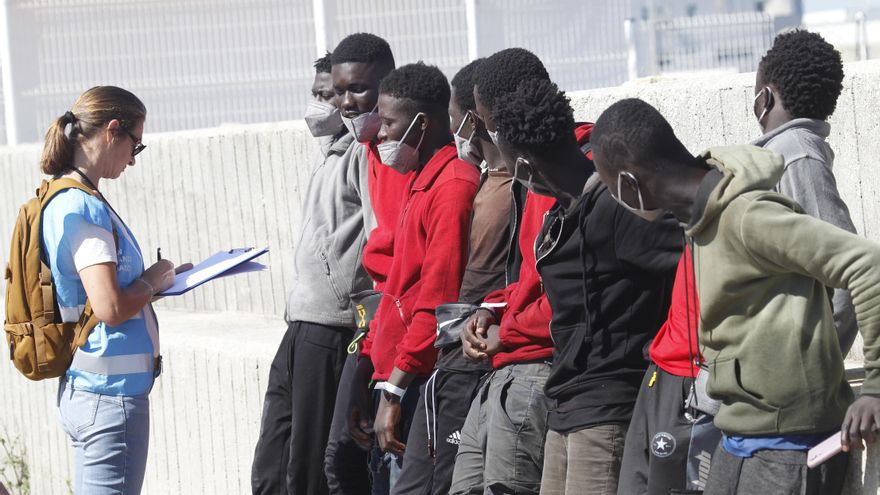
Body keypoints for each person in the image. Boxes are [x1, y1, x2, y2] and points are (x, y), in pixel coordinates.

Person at [590, 97, 880, 495]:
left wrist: (876, 389)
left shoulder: (747, 216)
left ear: (629, 183)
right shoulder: (698, 222)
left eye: (611, 189)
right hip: (739, 435)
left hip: (790, 445)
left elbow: (868, 265)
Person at [492, 79, 681, 494]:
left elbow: (688, 259)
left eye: (511, 169)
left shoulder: (617, 208)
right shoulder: (562, 216)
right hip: (567, 406)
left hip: (607, 408)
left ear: (524, 167)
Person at [41, 86, 183, 494]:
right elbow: (109, 306)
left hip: (91, 394)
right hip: (110, 401)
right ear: (112, 131)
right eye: (135, 144)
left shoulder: (65, 196)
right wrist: (151, 280)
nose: (133, 159)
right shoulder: (81, 206)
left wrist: (159, 284)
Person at [347, 62, 480, 493]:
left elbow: (436, 301)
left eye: (388, 123)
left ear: (421, 124)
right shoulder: (420, 180)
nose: (379, 134)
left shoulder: (453, 186)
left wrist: (395, 392)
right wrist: (372, 368)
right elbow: (396, 292)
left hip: (420, 380)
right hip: (395, 374)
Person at [251, 50, 374, 495]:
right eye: (320, 94)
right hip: (300, 322)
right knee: (272, 459)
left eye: (334, 93)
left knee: (309, 466)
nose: (326, 104)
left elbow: (378, 242)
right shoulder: (330, 152)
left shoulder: (363, 154)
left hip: (332, 325)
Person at [392, 57, 513, 495]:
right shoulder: (483, 182)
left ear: (474, 119)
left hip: (468, 364)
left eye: (456, 119)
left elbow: (456, 286)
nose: (455, 129)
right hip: (451, 362)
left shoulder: (490, 189)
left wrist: (397, 381)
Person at [449, 48, 559, 495]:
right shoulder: (524, 180)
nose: (484, 137)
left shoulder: (570, 177)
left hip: (536, 368)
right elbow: (525, 282)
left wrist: (506, 330)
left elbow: (570, 294)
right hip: (502, 366)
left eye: (487, 123)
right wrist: (490, 312)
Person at [322, 32, 399, 495]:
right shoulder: (369, 149)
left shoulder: (403, 155)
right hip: (374, 329)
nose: (346, 103)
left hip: (403, 336)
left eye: (358, 90)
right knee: (344, 459)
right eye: (339, 91)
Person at [751, 29, 858, 353]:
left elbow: (847, 274)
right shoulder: (785, 152)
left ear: (764, 99)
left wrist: (815, 363)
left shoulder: (796, 156)